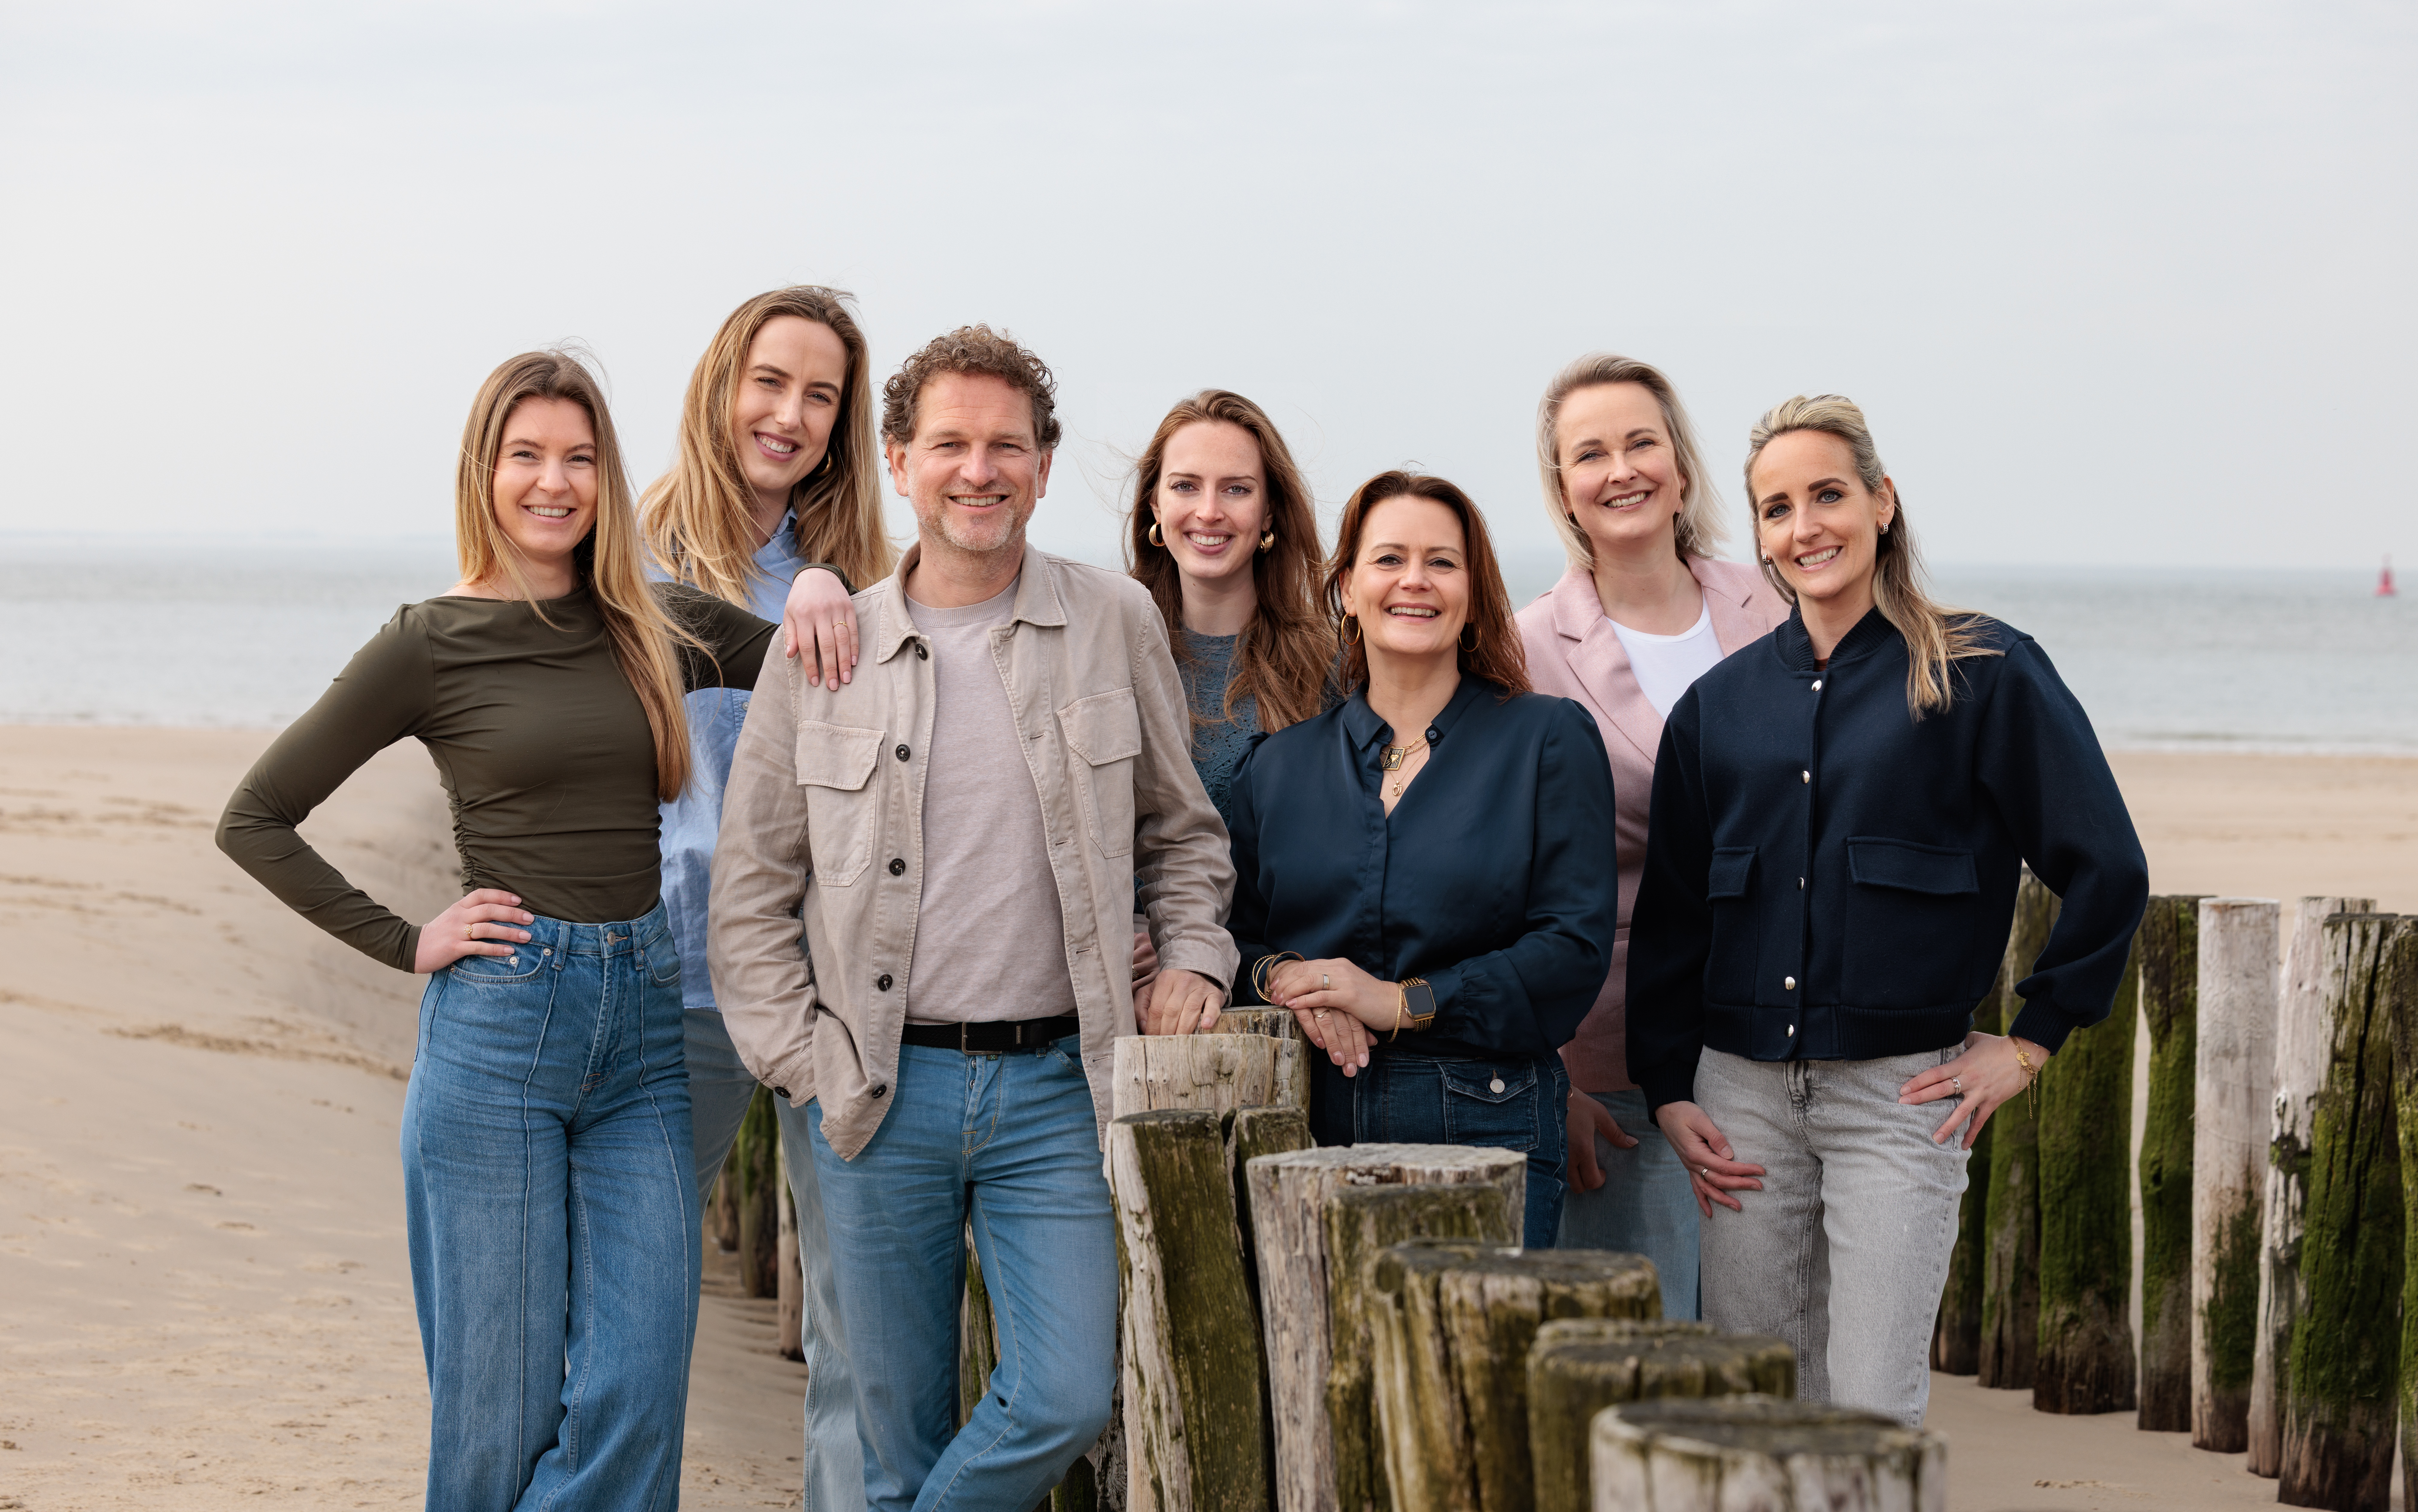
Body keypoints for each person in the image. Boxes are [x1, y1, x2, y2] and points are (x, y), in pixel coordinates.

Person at [217, 349, 778, 1510]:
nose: (553, 481)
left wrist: (822, 592)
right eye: (527, 455)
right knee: (498, 1420)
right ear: (486, 470)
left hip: (641, 1034)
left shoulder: (650, 620)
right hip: (501, 1035)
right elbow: (256, 818)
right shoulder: (429, 639)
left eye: (578, 458)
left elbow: (813, 667)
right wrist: (406, 939)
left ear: (606, 477)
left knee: (635, 1384)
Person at [707, 326, 1238, 1508]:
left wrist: (1196, 953)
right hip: (878, 1088)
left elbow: (1184, 835)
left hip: (1058, 1083)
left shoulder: (1113, 623)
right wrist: (802, 1061)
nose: (978, 469)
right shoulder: (825, 646)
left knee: (1064, 1393)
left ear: (1044, 467)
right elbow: (751, 886)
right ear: (898, 461)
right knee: (890, 1430)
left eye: (1006, 445)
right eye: (949, 443)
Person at [1625, 393, 2149, 1426]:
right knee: (1756, 1401)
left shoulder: (1983, 672)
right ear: (1761, 536)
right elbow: (1677, 916)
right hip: (1739, 1104)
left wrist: (2034, 1039)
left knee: (1870, 1407)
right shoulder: (1717, 712)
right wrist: (1665, 1084)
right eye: (1777, 508)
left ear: (1882, 502)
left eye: (1828, 495)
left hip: (1903, 1102)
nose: (1805, 526)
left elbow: (2108, 866)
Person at [640, 286, 894, 1511]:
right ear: (720, 384)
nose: (789, 415)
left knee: (858, 1319)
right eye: (770, 382)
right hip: (666, 982)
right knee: (634, 1303)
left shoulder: (869, 582)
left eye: (821, 396)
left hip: (824, 998)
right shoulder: (621, 554)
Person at [1228, 470, 1620, 1248]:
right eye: (1389, 558)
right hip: (1299, 1121)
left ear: (1474, 589)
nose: (1415, 579)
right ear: (1344, 586)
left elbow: (1572, 948)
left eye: (1442, 561)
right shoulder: (1277, 766)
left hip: (1487, 1116)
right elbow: (1229, 940)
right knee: (1320, 1371)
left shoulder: (1548, 741)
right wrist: (1292, 984)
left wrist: (1398, 999)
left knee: (1473, 1370)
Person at [1514, 354, 1788, 1315]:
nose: (1620, 467)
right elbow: (1501, 877)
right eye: (1590, 452)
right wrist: (1552, 1081)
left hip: (1779, 1043)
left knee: (1771, 1341)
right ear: (1564, 490)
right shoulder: (1526, 646)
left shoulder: (1778, 604)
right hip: (1613, 1060)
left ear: (1679, 464)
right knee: (1647, 1340)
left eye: (1641, 441)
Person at [1123, 389, 1333, 1029]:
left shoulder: (1334, 669)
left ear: (1270, 512)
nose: (1209, 512)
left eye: (1237, 490)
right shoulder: (1098, 652)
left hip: (1284, 1012)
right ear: (1154, 506)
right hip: (1136, 1008)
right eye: (1185, 486)